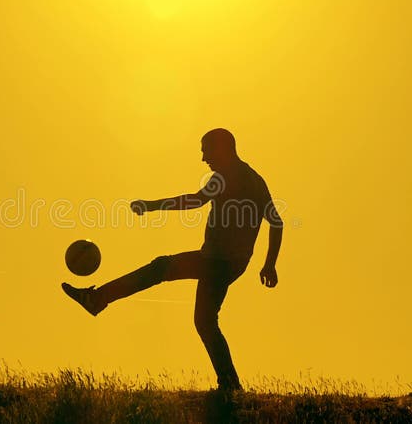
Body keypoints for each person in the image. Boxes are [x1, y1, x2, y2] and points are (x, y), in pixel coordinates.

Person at [62, 128, 283, 391]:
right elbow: (276, 222)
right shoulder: (255, 180)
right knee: (204, 320)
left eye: (206, 150)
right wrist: (269, 263)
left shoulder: (224, 177)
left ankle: (96, 299)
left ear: (222, 148)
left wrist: (152, 205)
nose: (203, 158)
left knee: (162, 269)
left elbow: (194, 201)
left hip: (218, 262)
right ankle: (231, 385)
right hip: (228, 262)